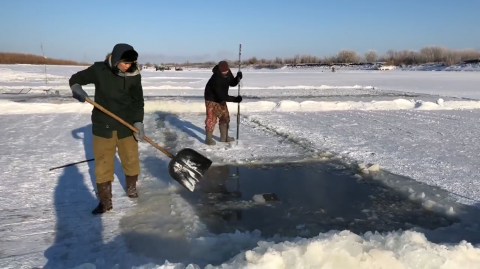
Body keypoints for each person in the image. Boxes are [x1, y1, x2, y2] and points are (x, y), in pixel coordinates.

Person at [68, 43, 145, 215]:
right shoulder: (99, 69)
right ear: (116, 59)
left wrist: (138, 122)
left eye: (131, 63)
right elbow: (75, 79)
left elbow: (138, 101)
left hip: (126, 125)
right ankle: (105, 202)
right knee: (103, 164)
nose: (128, 66)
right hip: (103, 126)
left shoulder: (134, 75)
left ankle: (131, 189)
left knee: (131, 160)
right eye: (125, 63)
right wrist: (77, 89)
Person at [203, 61, 243, 145]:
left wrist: (237, 78)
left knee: (225, 117)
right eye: (223, 72)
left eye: (226, 71)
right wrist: (235, 99)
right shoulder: (216, 79)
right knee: (211, 119)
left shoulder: (228, 72)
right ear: (220, 70)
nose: (225, 73)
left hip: (221, 98)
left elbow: (231, 82)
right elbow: (222, 96)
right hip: (211, 99)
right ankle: (208, 139)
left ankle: (224, 138)